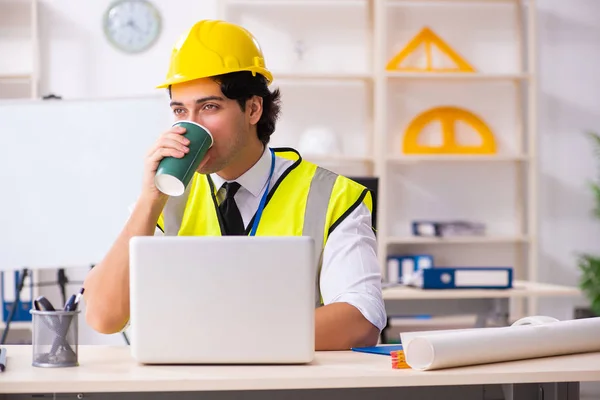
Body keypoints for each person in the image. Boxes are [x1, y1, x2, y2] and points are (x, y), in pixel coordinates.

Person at [83, 19, 386, 350]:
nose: (191, 126)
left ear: (253, 108)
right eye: (180, 111)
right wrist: (149, 200)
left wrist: (219, 338)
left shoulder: (334, 196)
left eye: (209, 107)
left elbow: (361, 321)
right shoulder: (163, 198)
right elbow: (103, 317)